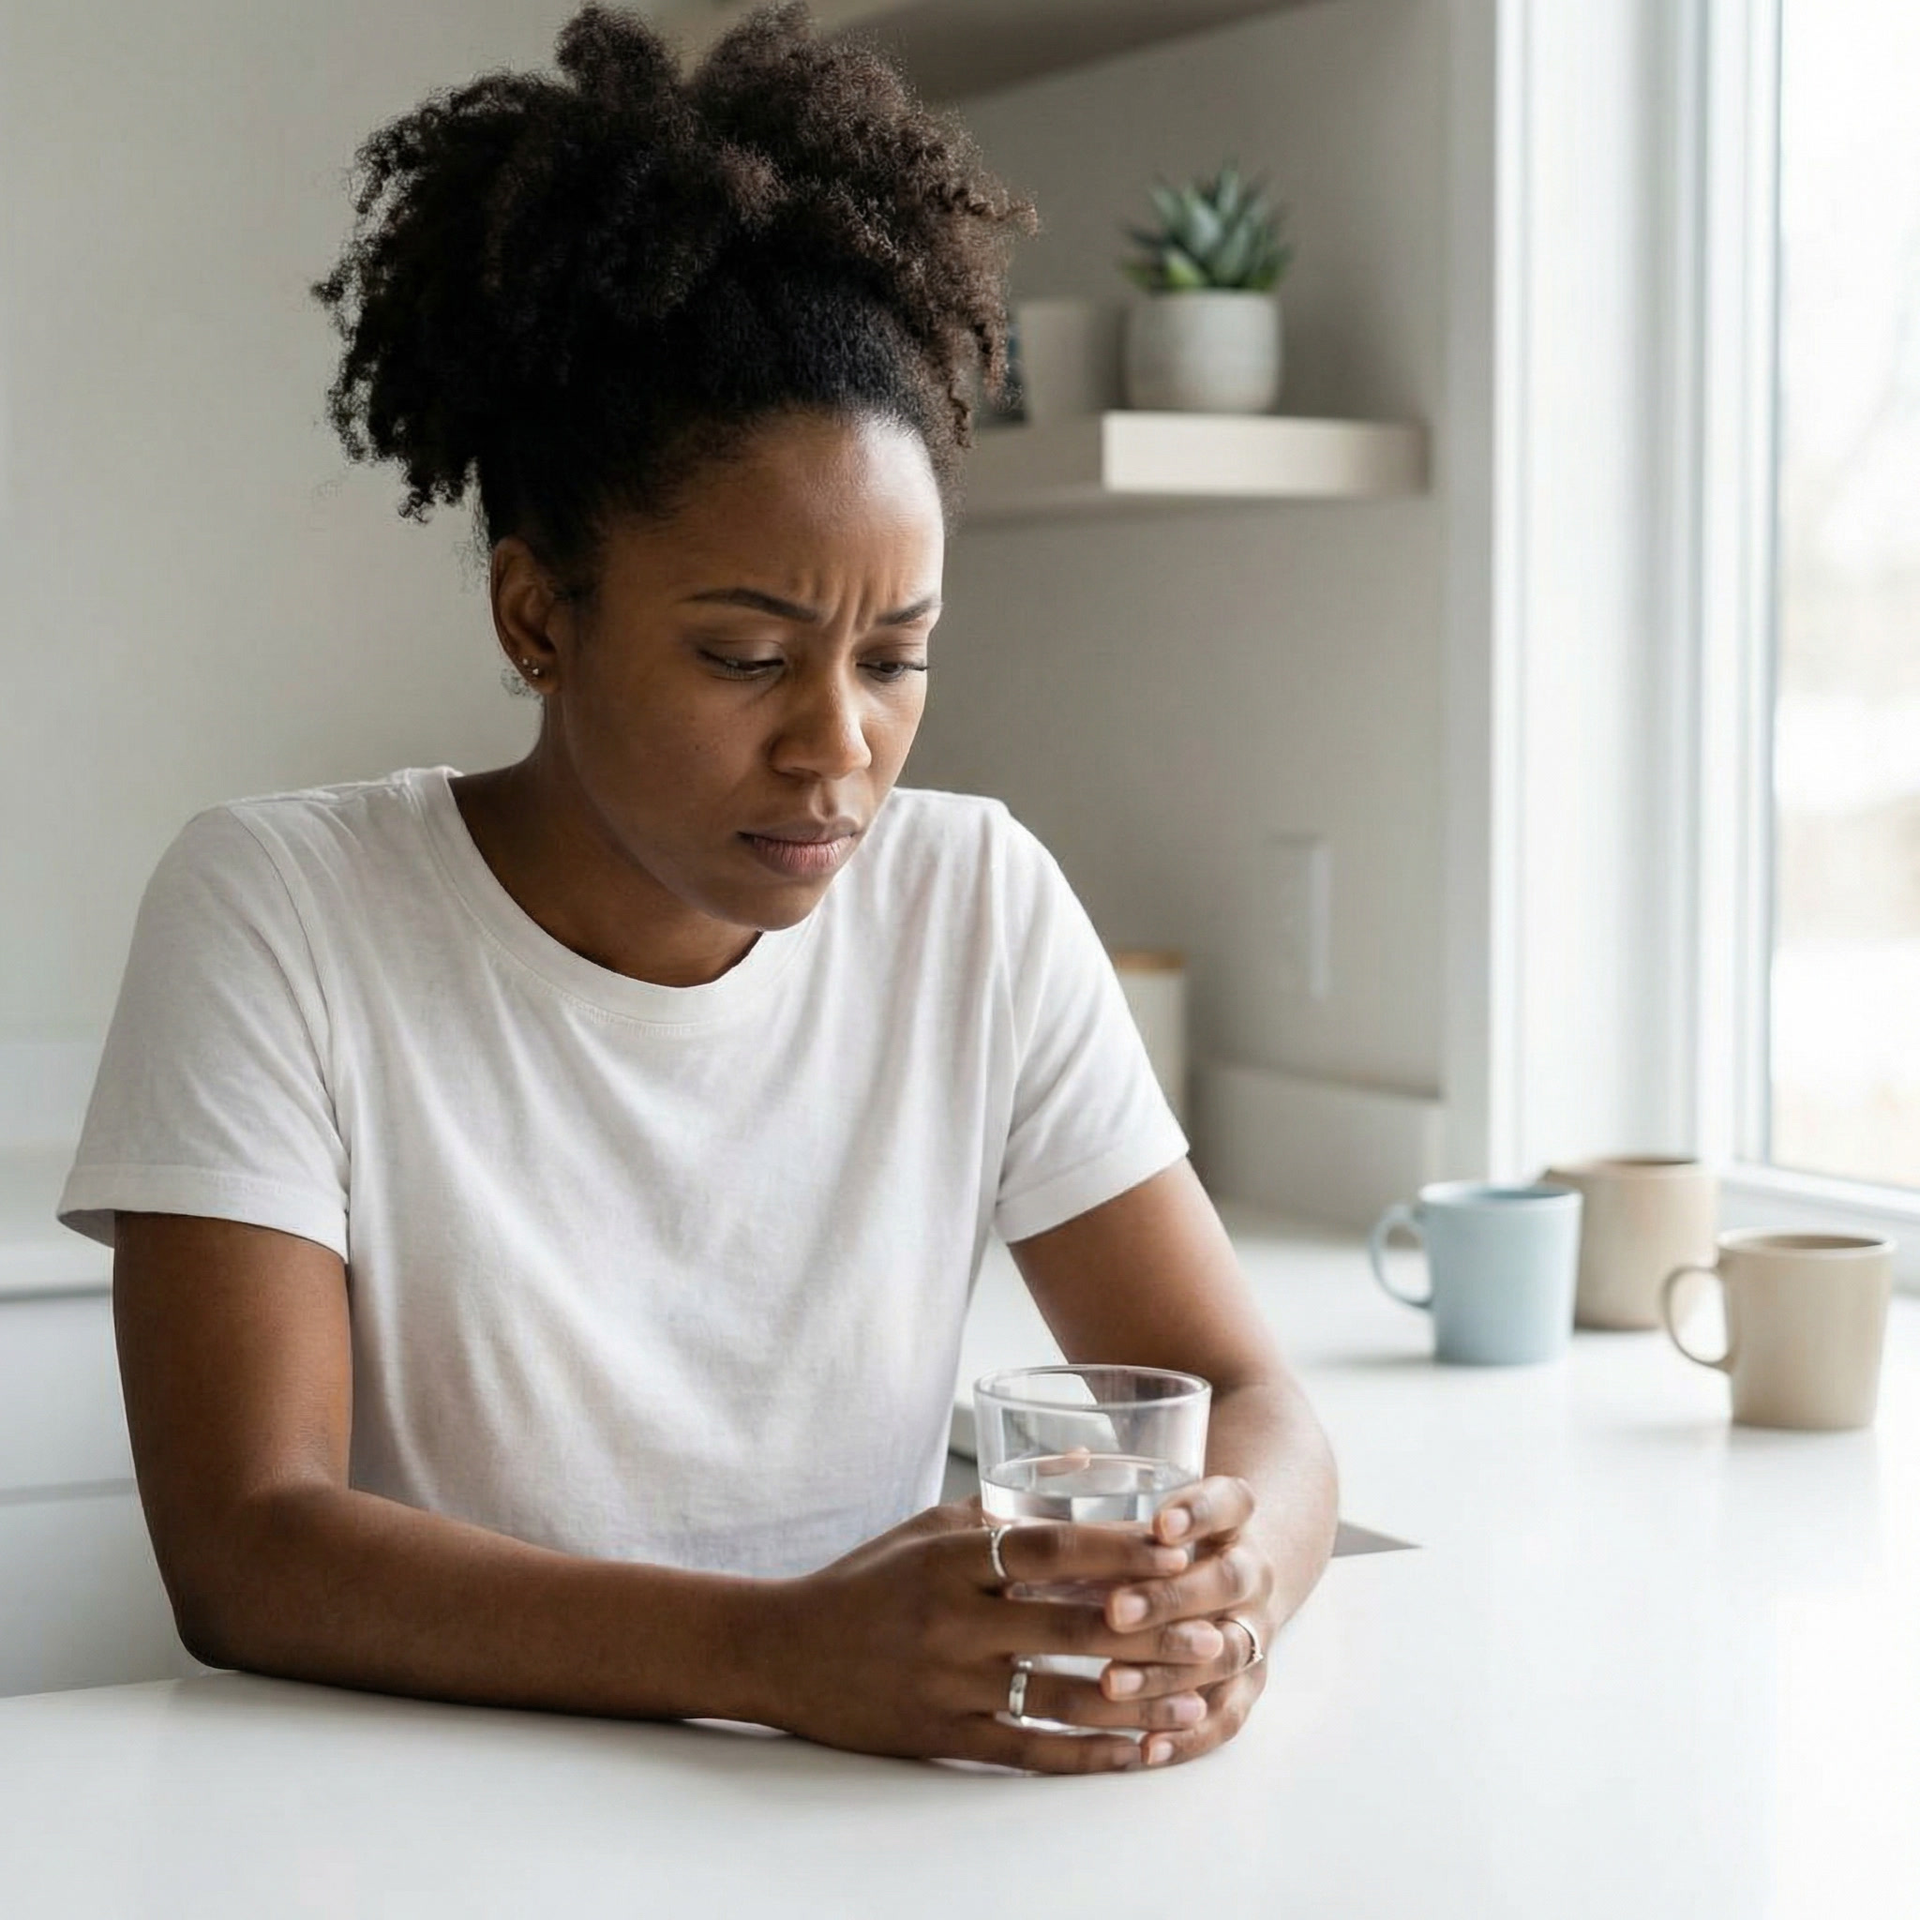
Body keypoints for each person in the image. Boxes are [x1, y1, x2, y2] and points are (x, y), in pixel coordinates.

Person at [57, 1, 1337, 1774]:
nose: (840, 750)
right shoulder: (283, 912)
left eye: (897, 658)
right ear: (536, 617)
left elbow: (1256, 1401)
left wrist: (1226, 1583)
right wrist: (780, 1655)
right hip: (415, 1837)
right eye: (747, 656)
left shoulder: (977, 905)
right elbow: (247, 1551)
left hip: (849, 1823)